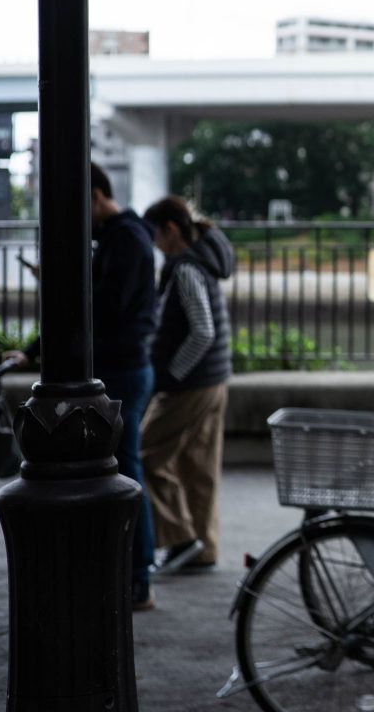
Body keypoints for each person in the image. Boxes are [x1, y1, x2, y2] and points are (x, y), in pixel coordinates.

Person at [4, 162, 160, 610]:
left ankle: (137, 576)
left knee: (127, 470)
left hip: (123, 369)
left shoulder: (126, 239)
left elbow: (95, 309)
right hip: (122, 367)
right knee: (123, 468)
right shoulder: (118, 237)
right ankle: (130, 572)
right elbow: (88, 306)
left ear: (94, 196)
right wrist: (34, 350)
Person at [139, 196, 236, 577]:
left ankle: (181, 538)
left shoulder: (184, 268)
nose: (153, 243)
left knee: (146, 454)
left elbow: (202, 331)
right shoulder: (202, 262)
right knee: (199, 465)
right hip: (214, 378)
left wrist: (171, 375)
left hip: (192, 383)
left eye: (155, 235)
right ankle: (202, 548)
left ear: (171, 230)